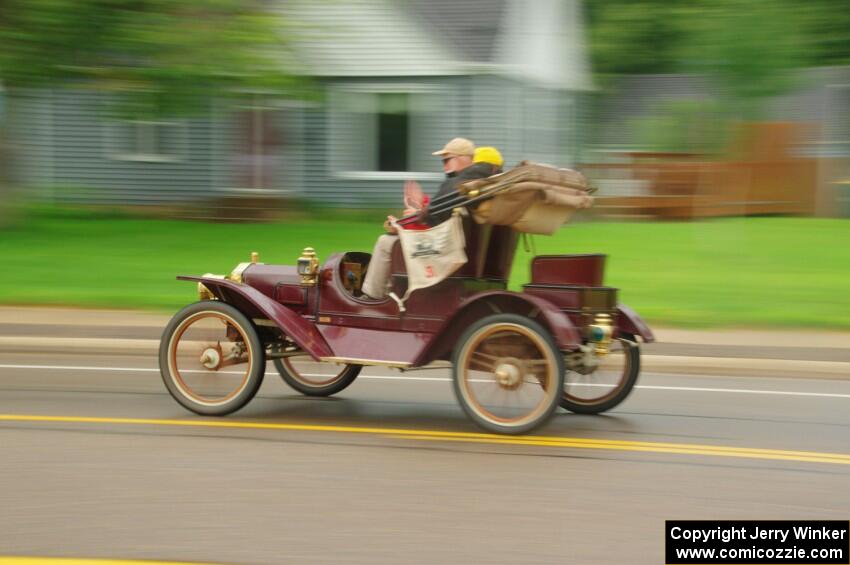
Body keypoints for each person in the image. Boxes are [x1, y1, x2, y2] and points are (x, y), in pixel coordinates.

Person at [361, 137, 484, 300]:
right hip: (457, 247)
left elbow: (434, 224)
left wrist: (411, 219)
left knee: (386, 242)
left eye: (447, 160)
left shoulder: (456, 185)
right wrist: (418, 211)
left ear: (460, 159)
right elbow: (438, 215)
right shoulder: (475, 184)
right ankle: (390, 292)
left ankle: (373, 295)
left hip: (442, 250)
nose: (444, 165)